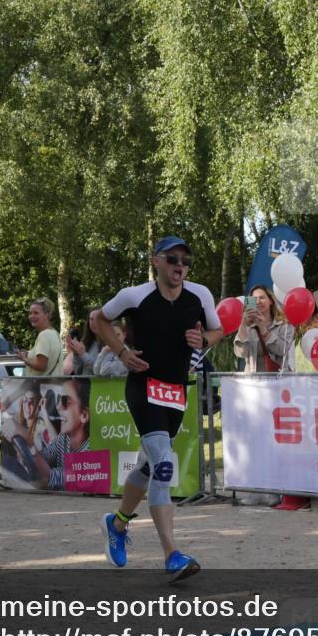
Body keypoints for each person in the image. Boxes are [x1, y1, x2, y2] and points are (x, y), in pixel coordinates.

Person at [95, 236, 223, 579]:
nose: (180, 265)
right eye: (172, 258)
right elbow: (98, 319)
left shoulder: (200, 296)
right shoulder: (134, 296)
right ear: (156, 261)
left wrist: (205, 340)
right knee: (164, 465)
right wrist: (122, 354)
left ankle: (118, 523)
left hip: (176, 392)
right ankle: (172, 555)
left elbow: (218, 329)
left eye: (185, 259)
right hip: (143, 387)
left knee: (151, 466)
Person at [5, 378, 91, 491]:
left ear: (83, 416)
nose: (58, 406)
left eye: (65, 401)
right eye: (59, 400)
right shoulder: (64, 439)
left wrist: (27, 440)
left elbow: (47, 479)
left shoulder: (91, 451)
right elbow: (43, 458)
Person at [233, 284, 295, 372]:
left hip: (278, 380)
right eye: (254, 299)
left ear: (271, 301)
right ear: (250, 303)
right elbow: (240, 353)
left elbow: (282, 350)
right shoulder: (248, 327)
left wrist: (262, 327)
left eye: (262, 298)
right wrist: (243, 323)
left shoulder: (284, 325)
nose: (258, 302)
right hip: (254, 382)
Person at [18, 297, 63, 376]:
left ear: (47, 315)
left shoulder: (44, 335)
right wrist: (29, 354)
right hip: (54, 386)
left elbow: (41, 366)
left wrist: (23, 358)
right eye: (30, 313)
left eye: (36, 313)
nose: (31, 316)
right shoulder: (55, 333)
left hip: (41, 386)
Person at [63, 309, 103, 376]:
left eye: (97, 319)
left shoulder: (109, 345)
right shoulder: (86, 342)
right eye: (91, 319)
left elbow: (100, 370)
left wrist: (83, 354)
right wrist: (76, 355)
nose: (94, 322)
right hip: (85, 385)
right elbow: (78, 372)